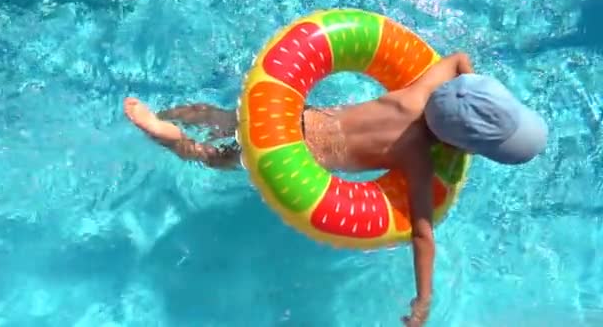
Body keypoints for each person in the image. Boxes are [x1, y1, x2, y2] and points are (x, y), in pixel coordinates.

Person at [123, 52, 548, 326]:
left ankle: (168, 114)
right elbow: (422, 233)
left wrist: (470, 90)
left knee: (225, 120)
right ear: (458, 143)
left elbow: (458, 60)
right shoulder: (417, 157)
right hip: (296, 158)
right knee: (215, 159)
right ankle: (164, 134)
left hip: (291, 119)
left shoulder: (417, 93)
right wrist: (424, 298)